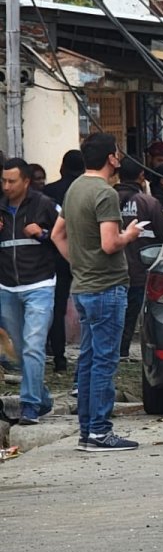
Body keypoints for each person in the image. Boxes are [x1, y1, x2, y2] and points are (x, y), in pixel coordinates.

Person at [51, 133, 143, 452]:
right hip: (107, 286)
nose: (119, 158)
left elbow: (56, 234)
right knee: (104, 361)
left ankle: (87, 430)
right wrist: (129, 235)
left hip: (84, 285)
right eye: (117, 154)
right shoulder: (105, 193)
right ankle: (100, 431)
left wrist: (78, 262)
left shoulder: (75, 188)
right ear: (111, 159)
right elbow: (108, 243)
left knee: (89, 360)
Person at [0, 159, 61, 424]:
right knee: (22, 348)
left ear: (26, 181)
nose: (6, 186)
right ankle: (42, 398)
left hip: (39, 285)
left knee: (34, 346)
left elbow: (65, 235)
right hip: (7, 289)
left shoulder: (45, 205)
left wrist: (44, 233)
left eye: (12, 181)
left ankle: (30, 406)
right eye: (3, 181)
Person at [115, 158, 163, 359]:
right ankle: (122, 351)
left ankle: (115, 351)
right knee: (133, 314)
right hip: (139, 270)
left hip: (111, 270)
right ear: (141, 176)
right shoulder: (149, 203)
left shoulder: (106, 198)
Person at [43, 150, 84, 375]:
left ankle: (59, 358)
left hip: (57, 256)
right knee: (91, 306)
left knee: (57, 308)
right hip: (86, 255)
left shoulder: (49, 192)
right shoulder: (89, 191)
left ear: (62, 167)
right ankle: (89, 359)